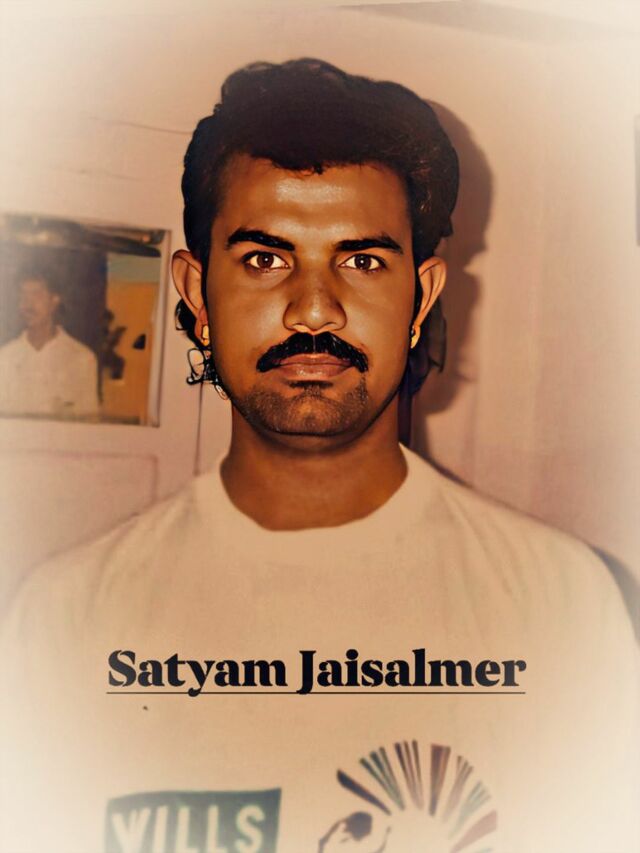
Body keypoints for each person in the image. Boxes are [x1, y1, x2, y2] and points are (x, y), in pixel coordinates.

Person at [1, 59, 637, 853]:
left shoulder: (563, 606)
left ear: (421, 298)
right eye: (264, 259)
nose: (313, 309)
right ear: (197, 296)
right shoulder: (62, 623)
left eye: (362, 261)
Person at [0, 269, 99, 418]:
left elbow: (89, 423)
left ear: (54, 300)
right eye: (23, 296)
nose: (27, 305)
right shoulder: (5, 358)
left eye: (36, 295)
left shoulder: (81, 358)